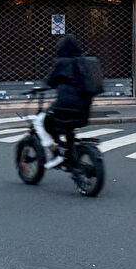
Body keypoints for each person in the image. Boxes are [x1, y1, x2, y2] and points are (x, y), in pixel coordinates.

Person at [35, 35, 99, 169]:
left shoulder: (62, 63)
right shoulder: (86, 64)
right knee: (68, 128)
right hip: (83, 112)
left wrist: (40, 87)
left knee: (41, 122)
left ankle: (57, 154)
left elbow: (50, 81)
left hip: (64, 109)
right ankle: (70, 154)